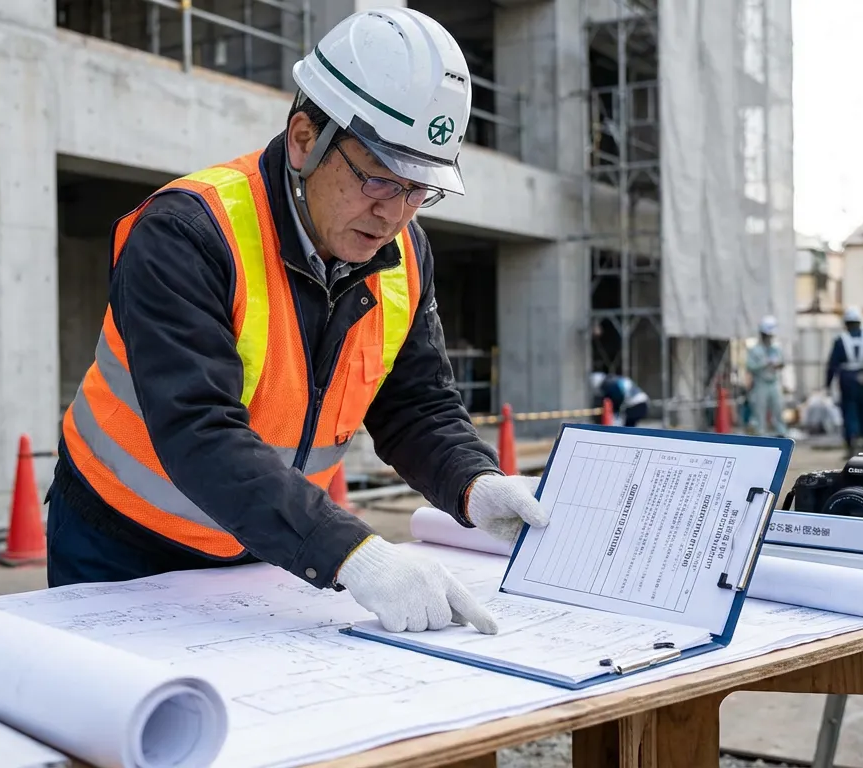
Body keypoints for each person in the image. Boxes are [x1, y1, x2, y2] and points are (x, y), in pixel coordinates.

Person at [46, 8, 548, 636]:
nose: (395, 213)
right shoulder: (186, 234)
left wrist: (473, 484)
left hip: (261, 540)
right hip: (119, 540)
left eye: (420, 189)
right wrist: (350, 552)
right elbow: (199, 430)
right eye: (378, 178)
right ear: (307, 137)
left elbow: (415, 403)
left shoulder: (403, 254)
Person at [825, 306, 863, 455]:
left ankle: (852, 440)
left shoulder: (840, 341)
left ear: (846, 324)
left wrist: (827, 383)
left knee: (849, 410)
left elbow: (832, 364)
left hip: (847, 379)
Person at [745, 316, 785, 437]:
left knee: (778, 408)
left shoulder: (776, 349)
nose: (769, 338)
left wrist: (777, 365)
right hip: (760, 383)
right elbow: (750, 366)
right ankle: (760, 434)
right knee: (759, 410)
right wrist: (764, 364)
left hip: (773, 382)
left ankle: (781, 433)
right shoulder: (754, 350)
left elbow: (782, 363)